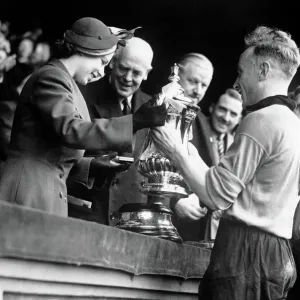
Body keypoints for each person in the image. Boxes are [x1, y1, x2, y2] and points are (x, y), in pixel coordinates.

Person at [151, 26, 300, 299]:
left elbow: (216, 195)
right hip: (278, 255)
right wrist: (188, 152)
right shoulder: (293, 123)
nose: (235, 82)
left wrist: (174, 150)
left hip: (245, 255)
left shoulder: (261, 118)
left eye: (241, 71)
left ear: (263, 70)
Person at [0, 17, 178, 217]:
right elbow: (72, 130)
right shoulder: (52, 77)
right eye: (102, 62)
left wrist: (91, 166)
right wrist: (135, 122)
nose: (102, 72)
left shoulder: (68, 84)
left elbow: (52, 155)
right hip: (27, 193)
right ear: (86, 51)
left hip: (42, 195)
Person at [67, 36, 154, 224]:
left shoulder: (151, 107)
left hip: (131, 219)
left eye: (137, 72)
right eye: (124, 68)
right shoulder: (83, 93)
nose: (128, 78)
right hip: (86, 215)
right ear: (112, 61)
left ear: (147, 73)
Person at [170, 52, 214, 241]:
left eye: (204, 85)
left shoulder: (203, 122)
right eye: (193, 81)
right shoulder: (156, 109)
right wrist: (174, 202)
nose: (198, 90)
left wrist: (201, 197)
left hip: (192, 231)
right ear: (177, 76)